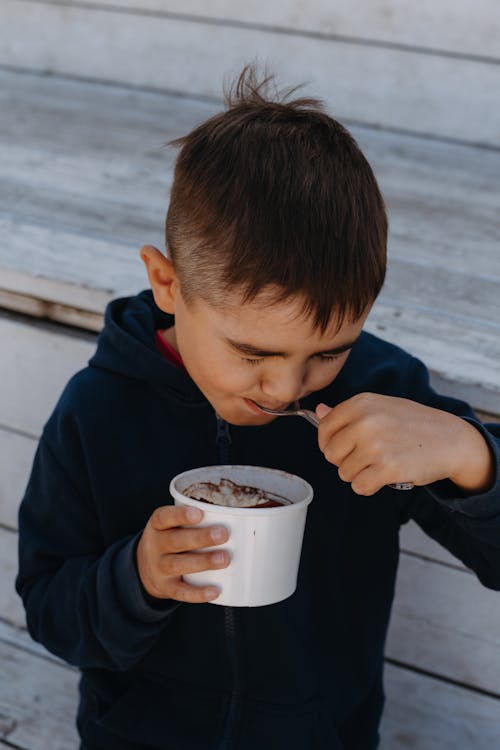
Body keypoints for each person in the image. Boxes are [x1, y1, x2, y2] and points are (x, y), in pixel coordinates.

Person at [16, 66, 500, 750]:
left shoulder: (383, 396)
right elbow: (49, 613)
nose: (287, 389)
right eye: (253, 352)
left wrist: (469, 457)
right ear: (166, 284)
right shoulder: (98, 412)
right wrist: (137, 578)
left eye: (330, 351)